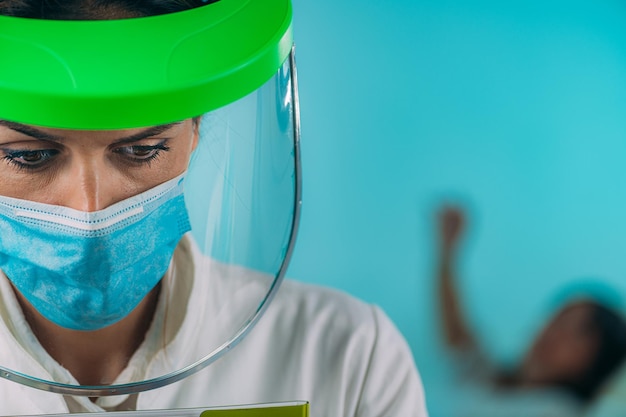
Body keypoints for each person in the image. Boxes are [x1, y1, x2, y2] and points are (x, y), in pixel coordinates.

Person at [0, 1, 428, 415]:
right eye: (30, 156)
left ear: (195, 128)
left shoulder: (346, 355)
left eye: (142, 149)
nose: (89, 211)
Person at [436, 205, 626, 416]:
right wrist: (447, 257)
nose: (554, 332)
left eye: (578, 331)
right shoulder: (490, 380)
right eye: (558, 319)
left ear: (598, 358)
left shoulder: (558, 411)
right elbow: (459, 339)